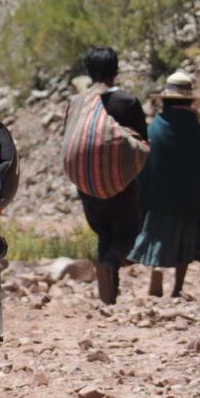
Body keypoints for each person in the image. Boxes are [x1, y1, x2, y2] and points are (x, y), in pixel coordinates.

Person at [128, 72, 200, 298]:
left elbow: (145, 162)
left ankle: (156, 272)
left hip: (159, 196)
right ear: (189, 100)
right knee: (185, 241)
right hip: (187, 198)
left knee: (156, 236)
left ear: (166, 100)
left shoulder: (154, 127)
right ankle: (178, 287)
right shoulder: (194, 129)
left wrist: (142, 192)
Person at [66, 46, 148, 305]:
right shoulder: (127, 102)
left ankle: (107, 295)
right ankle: (110, 264)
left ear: (88, 73)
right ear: (116, 70)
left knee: (104, 232)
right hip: (121, 183)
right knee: (127, 232)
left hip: (87, 182)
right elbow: (142, 143)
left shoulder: (77, 104)